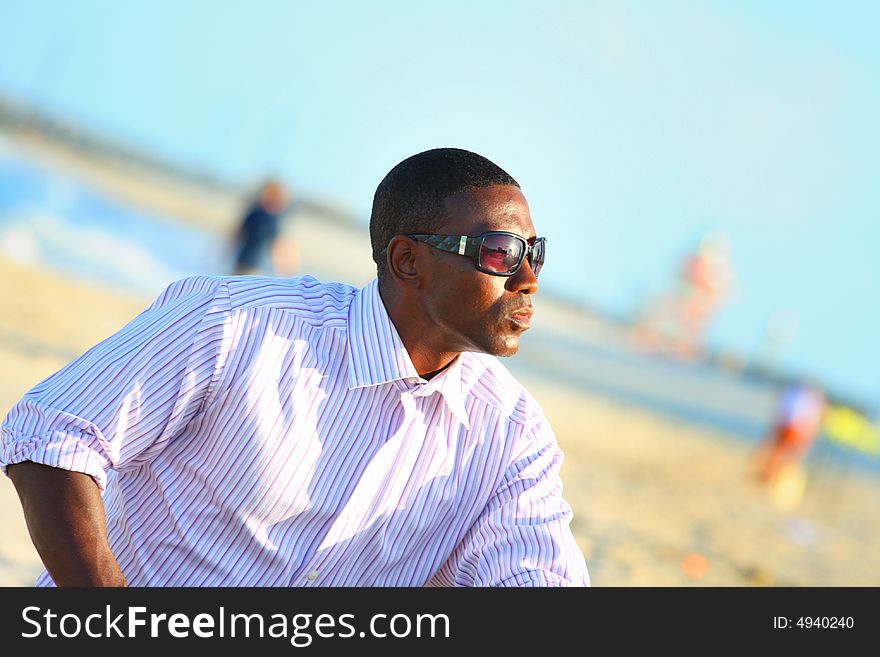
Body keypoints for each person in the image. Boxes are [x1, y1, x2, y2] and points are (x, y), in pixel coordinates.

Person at [1, 147, 589, 587]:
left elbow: (535, 579)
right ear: (409, 261)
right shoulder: (234, 325)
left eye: (535, 253)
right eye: (501, 252)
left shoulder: (511, 435)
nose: (529, 278)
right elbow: (51, 438)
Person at [231, 178, 297, 276]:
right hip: (254, 266)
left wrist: (224, 253)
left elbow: (237, 234)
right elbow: (276, 246)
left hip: (242, 260)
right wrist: (283, 271)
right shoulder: (272, 219)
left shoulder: (254, 212)